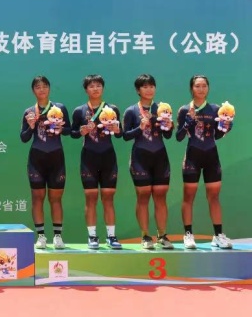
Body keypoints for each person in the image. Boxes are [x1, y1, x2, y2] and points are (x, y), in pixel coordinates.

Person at [176, 75, 233, 249]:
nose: (201, 89)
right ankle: (188, 235)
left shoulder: (216, 109)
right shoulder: (184, 110)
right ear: (191, 88)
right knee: (188, 196)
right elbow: (178, 137)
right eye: (197, 86)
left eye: (204, 86)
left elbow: (217, 135)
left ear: (208, 88)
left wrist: (226, 127)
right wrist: (188, 122)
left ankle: (218, 235)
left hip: (211, 157)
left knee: (214, 197)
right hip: (192, 157)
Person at [70, 74, 122, 250]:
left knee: (108, 198)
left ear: (103, 88)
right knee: (90, 198)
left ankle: (111, 236)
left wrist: (117, 129)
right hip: (89, 158)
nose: (95, 89)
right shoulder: (79, 111)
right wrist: (82, 131)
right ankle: (92, 236)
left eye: (98, 85)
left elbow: (120, 133)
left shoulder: (112, 109)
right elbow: (72, 133)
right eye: (91, 86)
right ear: (86, 90)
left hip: (108, 157)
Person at [122, 74, 174, 250]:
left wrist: (169, 126)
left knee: (160, 196)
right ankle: (145, 235)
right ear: (138, 90)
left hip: (160, 158)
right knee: (143, 196)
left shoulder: (162, 109)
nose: (149, 89)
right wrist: (140, 127)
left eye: (152, 86)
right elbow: (125, 136)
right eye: (145, 87)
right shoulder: (131, 111)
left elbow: (168, 135)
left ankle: (162, 235)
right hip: (140, 158)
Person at [19, 76, 70, 249]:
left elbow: (69, 130)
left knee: (56, 199)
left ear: (49, 88)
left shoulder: (59, 108)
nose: (42, 89)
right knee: (37, 197)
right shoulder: (29, 112)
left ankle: (57, 236)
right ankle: (41, 236)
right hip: (37, 159)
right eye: (38, 87)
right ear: (33, 90)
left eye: (45, 86)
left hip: (56, 158)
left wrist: (61, 128)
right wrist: (31, 125)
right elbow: (23, 138)